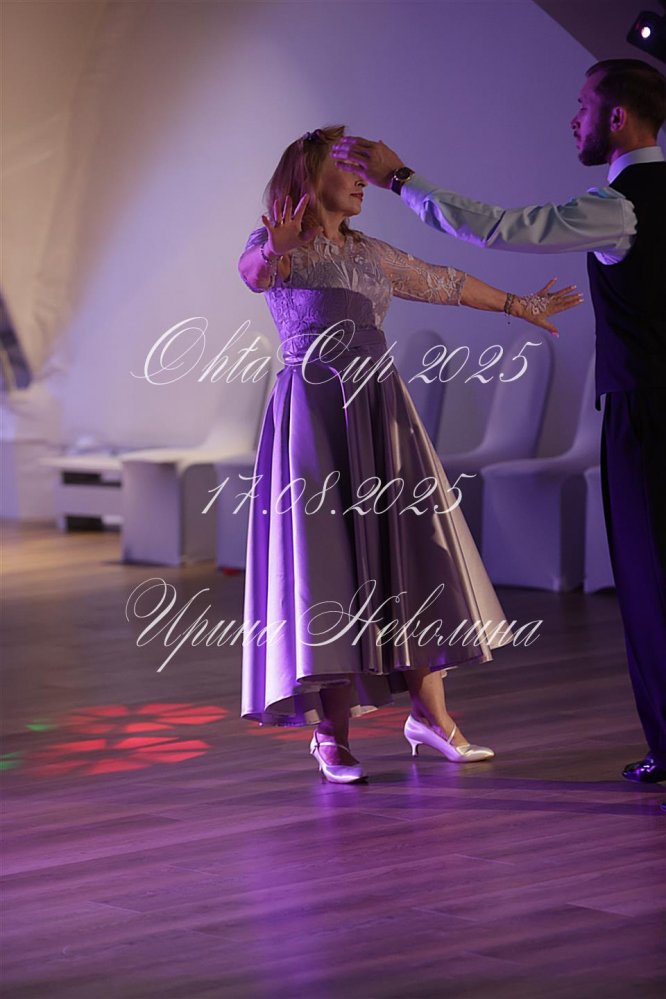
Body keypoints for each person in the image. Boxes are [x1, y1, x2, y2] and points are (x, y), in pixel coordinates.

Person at [331, 58, 666, 787]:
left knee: (650, 585)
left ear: (617, 118)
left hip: (646, 412)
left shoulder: (622, 207)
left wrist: (401, 178)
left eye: (583, 106)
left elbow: (498, 228)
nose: (573, 118)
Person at [238, 125, 582, 784]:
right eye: (348, 168)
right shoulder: (277, 245)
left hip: (379, 408)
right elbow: (254, 274)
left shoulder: (369, 253)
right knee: (328, 563)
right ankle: (331, 734)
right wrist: (275, 249)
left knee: (413, 551)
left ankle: (431, 716)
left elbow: (444, 281)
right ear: (309, 175)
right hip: (316, 416)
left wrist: (519, 304)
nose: (362, 181)